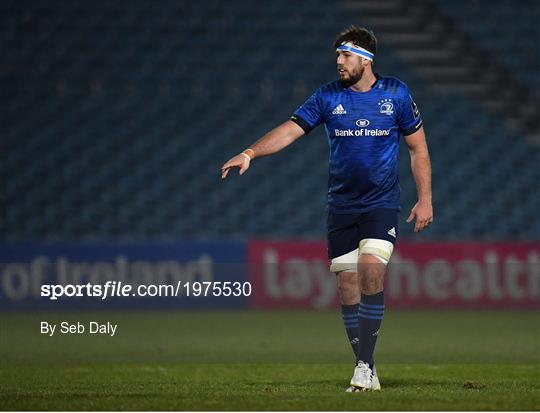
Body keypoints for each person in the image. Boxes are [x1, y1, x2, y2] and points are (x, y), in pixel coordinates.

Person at [221, 26, 433, 392]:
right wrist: (250, 152)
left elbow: (418, 149)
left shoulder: (396, 94)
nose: (338, 61)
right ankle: (364, 364)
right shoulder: (327, 97)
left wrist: (425, 197)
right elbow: (289, 130)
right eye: (337, 55)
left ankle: (364, 367)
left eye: (345, 55)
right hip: (341, 207)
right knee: (348, 285)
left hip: (381, 203)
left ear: (366, 58)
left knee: (370, 271)